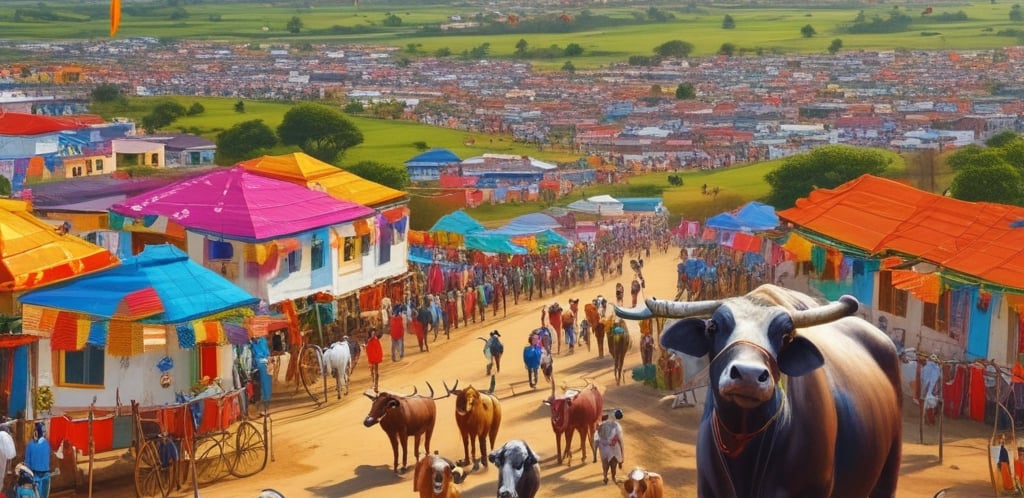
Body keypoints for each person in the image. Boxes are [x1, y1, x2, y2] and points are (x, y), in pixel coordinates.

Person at [594, 409, 625, 485]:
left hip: (603, 447)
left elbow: (596, 439)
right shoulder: (618, 427)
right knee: (613, 465)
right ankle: (613, 478)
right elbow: (620, 442)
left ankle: (605, 477)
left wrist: (594, 455)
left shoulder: (602, 425)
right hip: (614, 448)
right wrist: (621, 458)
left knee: (605, 463)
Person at [24, 422, 50, 498]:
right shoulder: (47, 444)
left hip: (33, 475)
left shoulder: (30, 445)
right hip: (45, 475)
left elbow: (27, 462)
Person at [366, 328, 384, 392]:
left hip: (375, 359)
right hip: (371, 359)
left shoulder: (376, 340)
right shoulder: (369, 340)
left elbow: (379, 349)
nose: (373, 334)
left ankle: (376, 386)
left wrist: (378, 358)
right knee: (372, 372)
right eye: (372, 333)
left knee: (376, 372)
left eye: (374, 333)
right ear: (370, 334)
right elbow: (368, 350)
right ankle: (373, 384)